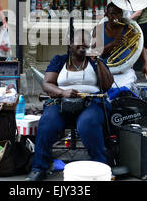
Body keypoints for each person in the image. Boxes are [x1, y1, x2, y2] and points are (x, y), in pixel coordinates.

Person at [25, 29, 114, 181]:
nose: (82, 48)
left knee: (88, 123)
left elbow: (107, 85)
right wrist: (62, 92)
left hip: (91, 103)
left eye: (86, 45)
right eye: (78, 44)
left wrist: (97, 61)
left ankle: (101, 167)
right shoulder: (59, 60)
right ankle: (39, 167)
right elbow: (47, 84)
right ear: (70, 43)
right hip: (61, 102)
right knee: (47, 123)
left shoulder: (96, 61)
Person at [91, 2, 138, 98]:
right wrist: (113, 44)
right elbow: (94, 52)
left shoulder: (129, 28)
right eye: (112, 13)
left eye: (119, 13)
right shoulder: (99, 29)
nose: (116, 16)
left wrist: (145, 63)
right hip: (105, 71)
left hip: (125, 71)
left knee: (124, 97)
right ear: (106, 14)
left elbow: (138, 46)